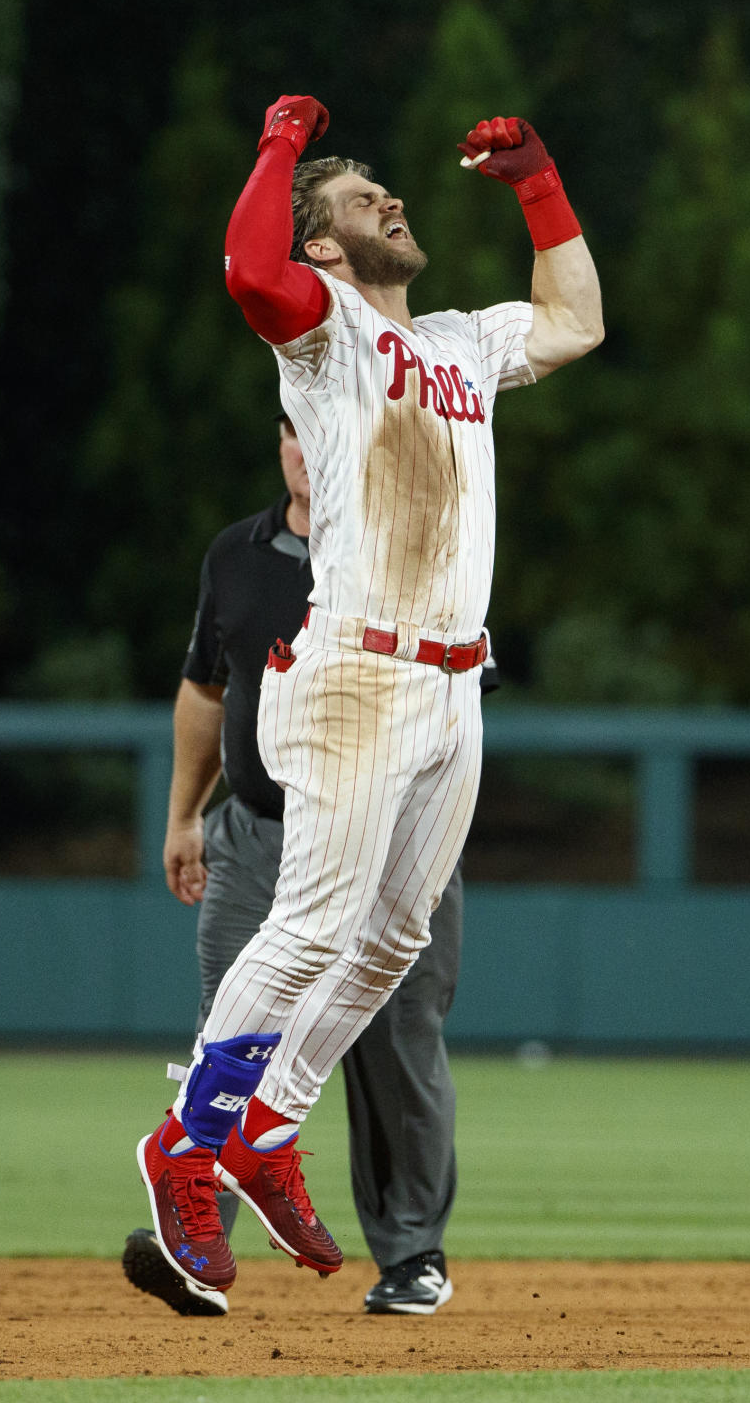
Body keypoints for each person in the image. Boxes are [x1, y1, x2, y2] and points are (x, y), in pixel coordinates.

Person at [135, 95, 603, 1302]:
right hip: (352, 670)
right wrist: (282, 150)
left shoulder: (456, 340)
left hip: (453, 684)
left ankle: (267, 1125)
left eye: (383, 190)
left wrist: (538, 184)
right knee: (310, 930)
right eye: (360, 201)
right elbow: (249, 267)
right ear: (326, 248)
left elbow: (576, 323)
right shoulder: (322, 327)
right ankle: (188, 1144)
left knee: (393, 939)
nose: (389, 199)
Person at [125, 412, 496, 1316]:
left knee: (398, 1041)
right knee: (232, 1026)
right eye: (292, 429)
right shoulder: (238, 555)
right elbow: (205, 688)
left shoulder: (415, 539)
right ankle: (196, 1243)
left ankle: (412, 1256)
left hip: (387, 825)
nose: (305, 446)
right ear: (281, 442)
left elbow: (456, 697)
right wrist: (183, 815)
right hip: (259, 831)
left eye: (322, 430)